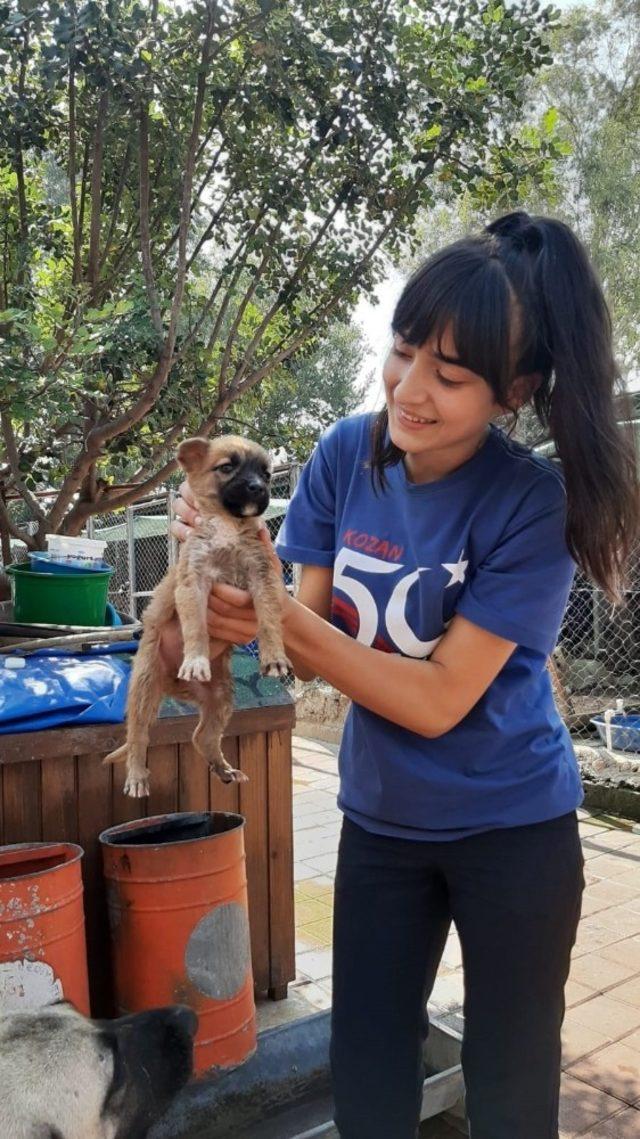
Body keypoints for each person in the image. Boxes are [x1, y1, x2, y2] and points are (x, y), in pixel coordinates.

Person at [169, 211, 639, 1139]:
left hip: (514, 829)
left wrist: (285, 625)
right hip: (381, 819)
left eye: (449, 373)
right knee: (368, 1070)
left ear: (518, 390)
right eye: (402, 350)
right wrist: (222, 572)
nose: (408, 388)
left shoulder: (530, 503)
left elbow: (434, 698)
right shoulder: (348, 451)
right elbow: (299, 624)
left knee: (510, 1086)